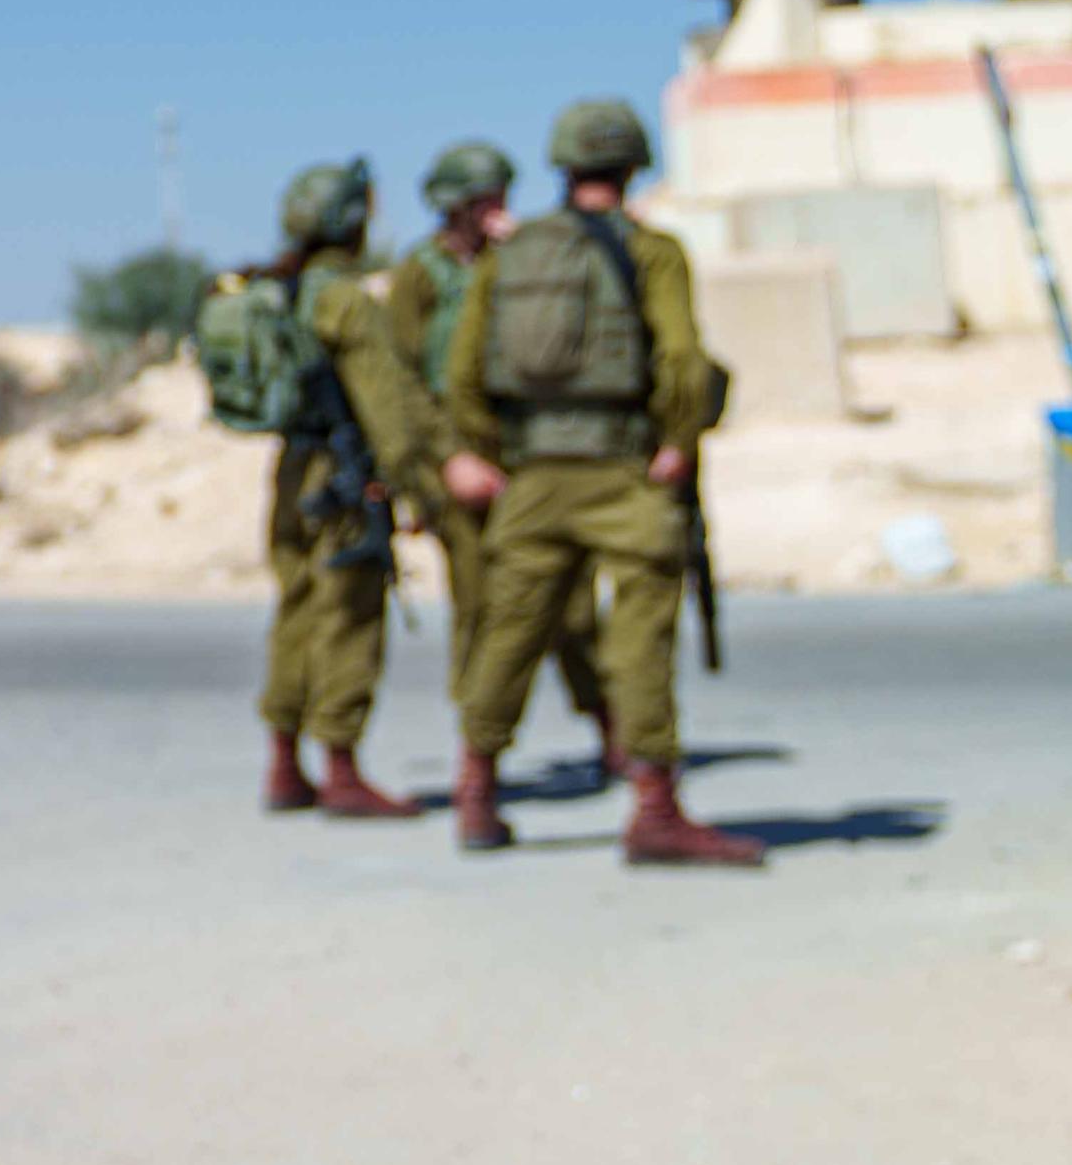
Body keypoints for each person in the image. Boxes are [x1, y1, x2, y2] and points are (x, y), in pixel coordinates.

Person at [438, 98, 756, 866]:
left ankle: (476, 790)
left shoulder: (509, 255)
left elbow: (462, 370)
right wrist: (678, 440)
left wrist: (484, 452)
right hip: (623, 471)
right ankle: (654, 806)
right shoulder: (653, 253)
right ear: (633, 163)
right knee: (640, 638)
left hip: (533, 476)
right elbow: (681, 359)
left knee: (508, 632)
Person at [384, 138, 610, 778]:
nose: (495, 210)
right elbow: (401, 379)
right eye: (484, 201)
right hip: (457, 462)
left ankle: (612, 727)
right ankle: (478, 758)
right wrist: (447, 459)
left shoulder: (521, 260)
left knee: (572, 604)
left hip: (531, 457)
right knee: (483, 608)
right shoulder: (420, 273)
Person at [252, 160, 445, 819]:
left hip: (290, 472)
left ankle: (284, 764)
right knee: (350, 615)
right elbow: (387, 407)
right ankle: (340, 768)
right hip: (340, 477)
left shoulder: (277, 289)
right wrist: (419, 490)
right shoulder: (346, 299)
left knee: (297, 609)